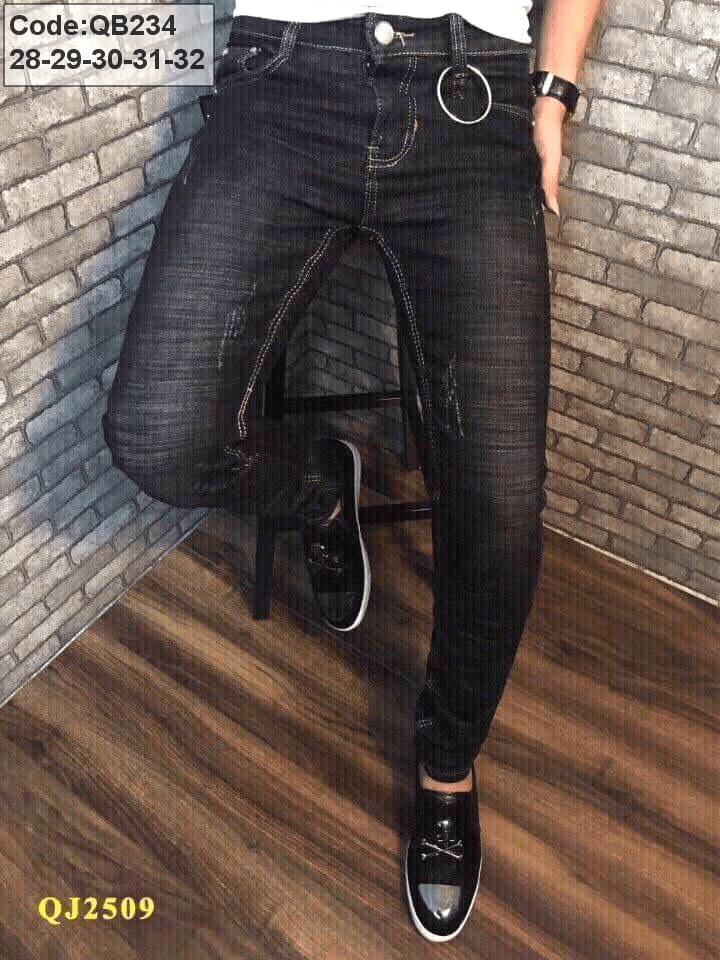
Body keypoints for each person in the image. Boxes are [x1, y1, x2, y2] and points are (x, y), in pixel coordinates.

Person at [102, 0, 603, 941]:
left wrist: (553, 95)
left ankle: (447, 768)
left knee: (502, 507)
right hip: (283, 77)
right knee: (159, 434)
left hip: (470, 90)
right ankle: (321, 492)